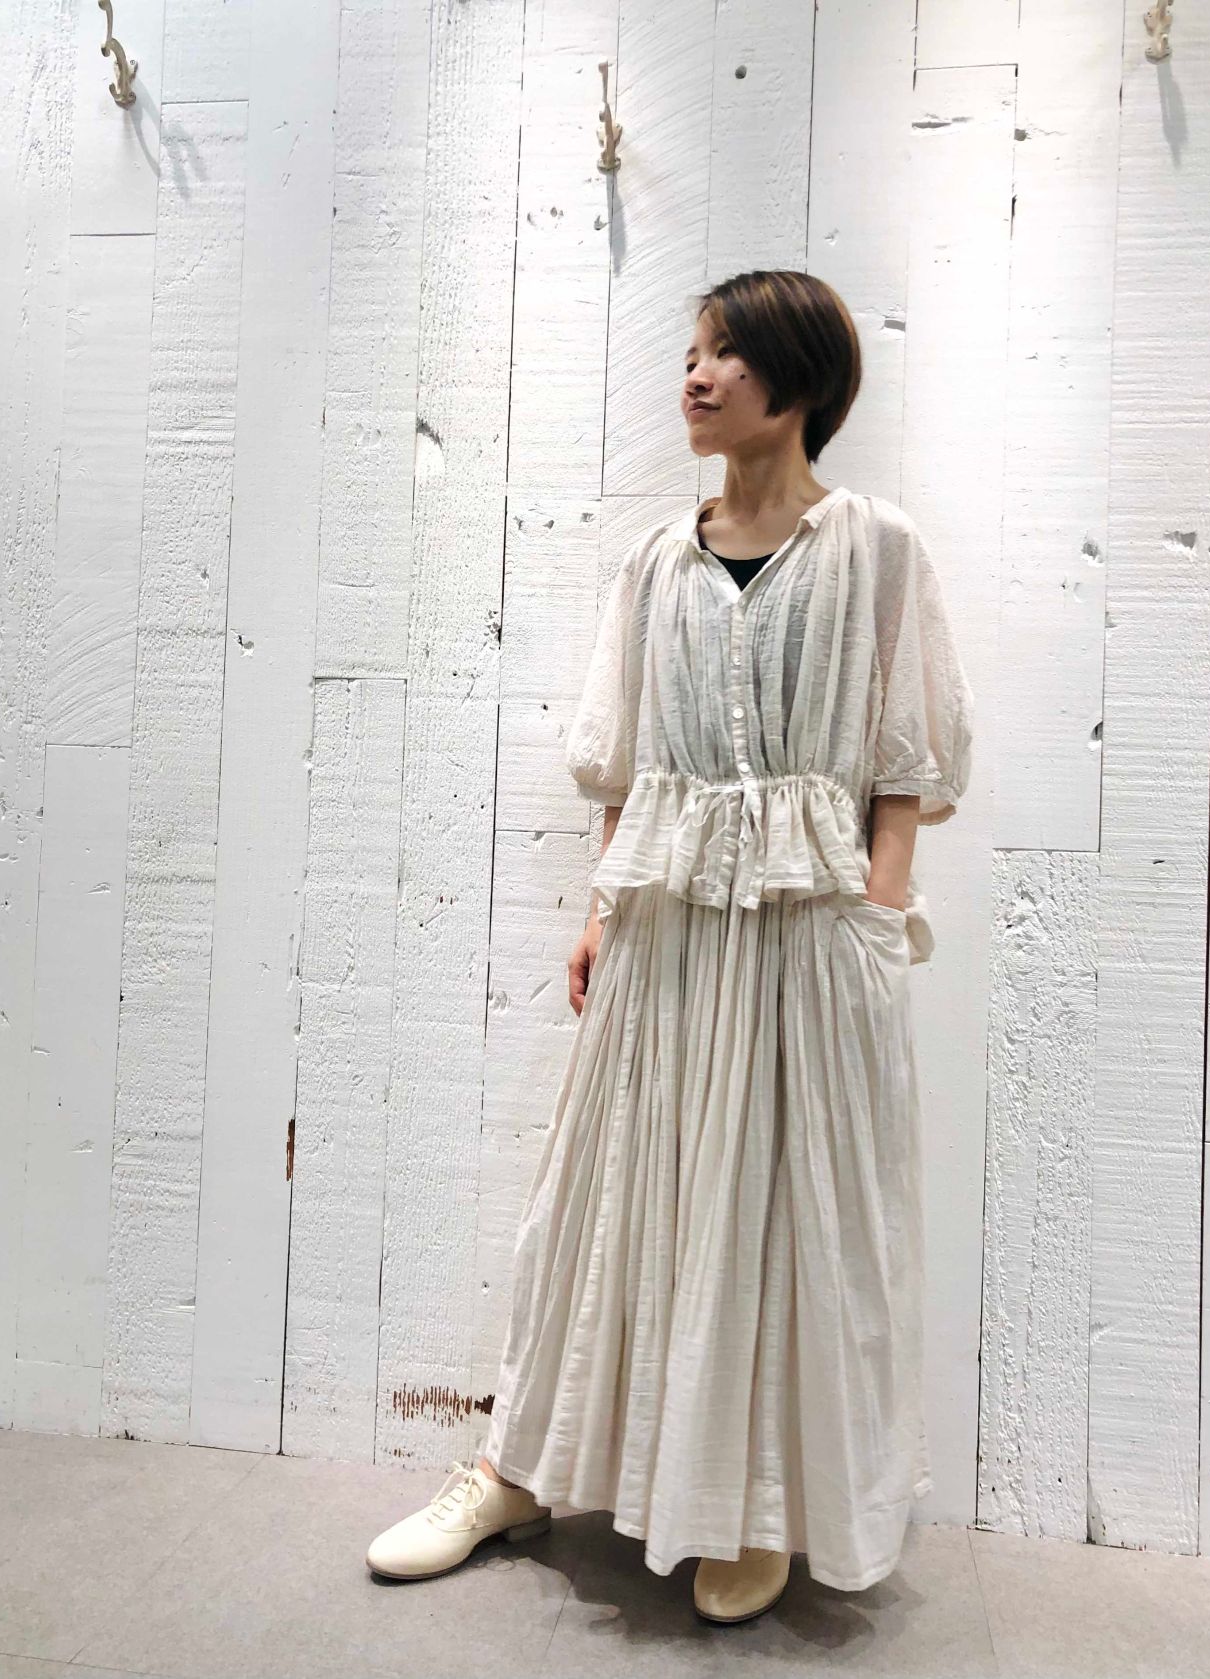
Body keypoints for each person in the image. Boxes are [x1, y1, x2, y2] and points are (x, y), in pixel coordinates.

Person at [366, 270, 974, 1624]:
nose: (695, 376)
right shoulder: (658, 561)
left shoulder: (875, 548)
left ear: (796, 381)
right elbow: (629, 763)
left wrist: (876, 922)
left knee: (779, 1210)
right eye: (692, 352)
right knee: (608, 1196)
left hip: (809, 931)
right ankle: (518, 1467)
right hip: (666, 924)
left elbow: (907, 759)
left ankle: (750, 1501)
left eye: (725, 354)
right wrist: (600, 911)